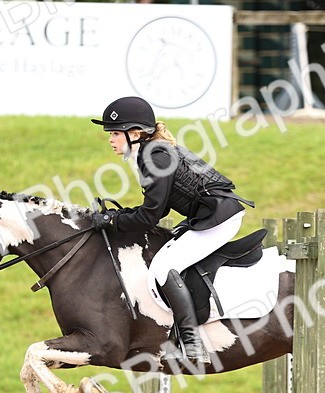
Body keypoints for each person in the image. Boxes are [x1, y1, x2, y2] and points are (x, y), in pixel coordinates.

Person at [89, 96, 252, 364]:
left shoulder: (155, 156)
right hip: (209, 215)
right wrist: (118, 215)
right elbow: (159, 209)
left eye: (116, 133)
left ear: (135, 134)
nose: (111, 139)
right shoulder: (151, 152)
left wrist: (112, 221)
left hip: (220, 218)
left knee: (164, 268)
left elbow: (149, 218)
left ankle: (193, 343)